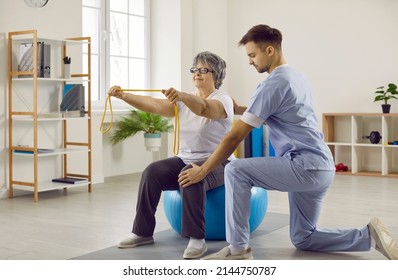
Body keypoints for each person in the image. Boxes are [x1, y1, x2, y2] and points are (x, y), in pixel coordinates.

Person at [178, 24, 398, 260]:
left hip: (303, 165)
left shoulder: (272, 84)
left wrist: (204, 169)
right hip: (322, 166)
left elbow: (234, 136)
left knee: (235, 170)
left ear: (270, 50)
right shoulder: (296, 76)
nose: (250, 62)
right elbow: (276, 112)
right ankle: (368, 236)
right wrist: (239, 107)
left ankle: (238, 249)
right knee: (304, 237)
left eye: (252, 55)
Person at [107, 51, 234, 259]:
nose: (197, 73)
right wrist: (123, 96)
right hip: (185, 158)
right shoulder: (183, 102)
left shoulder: (223, 100)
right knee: (152, 172)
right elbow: (155, 105)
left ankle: (196, 239)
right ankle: (142, 232)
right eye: (194, 69)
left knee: (189, 173)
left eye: (204, 70)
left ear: (217, 76)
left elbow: (205, 109)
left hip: (218, 162)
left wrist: (183, 96)